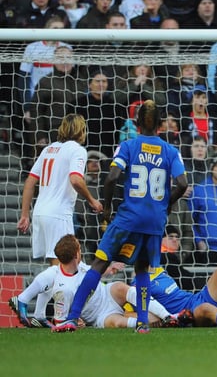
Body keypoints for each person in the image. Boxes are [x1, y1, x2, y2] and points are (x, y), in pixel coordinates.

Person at [53, 100, 188, 333]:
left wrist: (106, 207)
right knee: (143, 269)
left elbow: (111, 177)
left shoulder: (128, 146)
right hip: (154, 222)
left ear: (136, 124)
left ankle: (72, 318)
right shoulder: (171, 151)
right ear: (160, 125)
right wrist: (166, 204)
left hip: (128, 218)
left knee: (99, 263)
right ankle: (143, 323)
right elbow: (183, 184)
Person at [16, 114, 103, 327]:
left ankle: (38, 314)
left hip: (40, 212)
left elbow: (30, 181)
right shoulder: (77, 150)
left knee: (55, 267)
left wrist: (25, 214)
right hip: (59, 213)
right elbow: (75, 178)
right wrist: (92, 199)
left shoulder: (49, 149)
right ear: (82, 131)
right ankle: (36, 305)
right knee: (64, 267)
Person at [10, 235, 180, 330]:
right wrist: (76, 323)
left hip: (108, 294)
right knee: (117, 323)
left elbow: (92, 272)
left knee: (121, 287)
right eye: (79, 247)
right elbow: (60, 322)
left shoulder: (75, 267)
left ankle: (169, 316)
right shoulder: (64, 289)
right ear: (77, 255)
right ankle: (162, 320)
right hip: (100, 315)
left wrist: (110, 268)